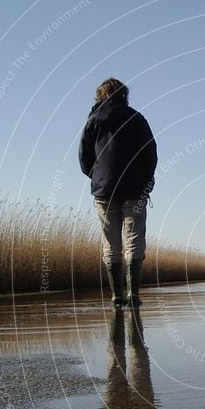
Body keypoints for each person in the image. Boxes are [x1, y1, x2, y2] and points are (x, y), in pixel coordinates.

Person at [79, 78, 157, 307]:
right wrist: (145, 179)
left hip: (104, 190)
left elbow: (84, 157)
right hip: (134, 189)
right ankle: (133, 295)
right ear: (124, 95)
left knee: (110, 244)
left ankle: (116, 297)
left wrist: (97, 176)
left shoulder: (93, 121)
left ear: (99, 96)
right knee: (134, 240)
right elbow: (150, 152)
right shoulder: (136, 118)